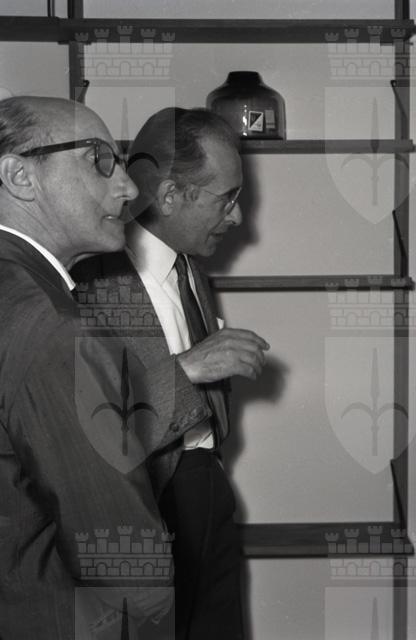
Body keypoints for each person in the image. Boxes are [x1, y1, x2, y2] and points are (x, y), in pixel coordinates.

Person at [0, 96, 266, 640]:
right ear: (19, 176)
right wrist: (185, 369)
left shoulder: (187, 266)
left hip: (204, 490)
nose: (125, 188)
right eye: (98, 162)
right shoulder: (64, 296)